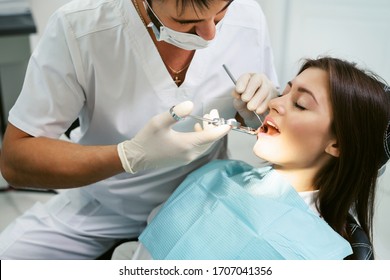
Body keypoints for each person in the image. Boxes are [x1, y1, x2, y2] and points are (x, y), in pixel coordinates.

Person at [0, 0, 279, 259]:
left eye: (221, 11)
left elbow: (263, 124)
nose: (210, 34)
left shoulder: (248, 16)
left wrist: (254, 114)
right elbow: (15, 160)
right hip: (102, 203)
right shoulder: (79, 28)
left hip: (200, 203)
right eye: (186, 22)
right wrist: (129, 156)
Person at [118, 57, 390, 260]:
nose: (274, 102)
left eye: (300, 104)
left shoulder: (322, 254)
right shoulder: (218, 174)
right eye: (284, 92)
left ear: (338, 144)